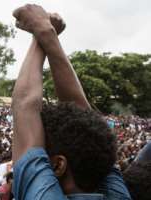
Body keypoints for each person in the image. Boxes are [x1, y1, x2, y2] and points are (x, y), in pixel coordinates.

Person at [12, 4, 131, 200]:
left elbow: (25, 104)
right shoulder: (109, 185)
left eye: (42, 152)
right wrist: (45, 31)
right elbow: (85, 121)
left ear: (58, 165)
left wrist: (42, 32)